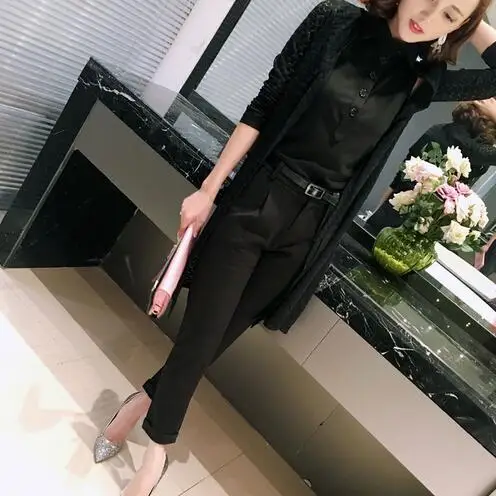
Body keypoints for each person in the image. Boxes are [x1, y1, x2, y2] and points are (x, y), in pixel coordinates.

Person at [94, 1, 496, 494]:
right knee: (201, 334)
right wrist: (210, 189)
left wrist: (473, 20)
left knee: (216, 340)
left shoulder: (423, 77)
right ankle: (157, 449)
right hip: (259, 199)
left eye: (448, 17)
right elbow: (264, 105)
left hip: (309, 230)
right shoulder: (334, 22)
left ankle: (139, 404)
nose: (428, 17)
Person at [366, 97, 496, 232]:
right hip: (416, 230)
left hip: (386, 216)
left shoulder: (437, 130)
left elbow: (398, 180)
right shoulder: (473, 150)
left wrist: (374, 215)